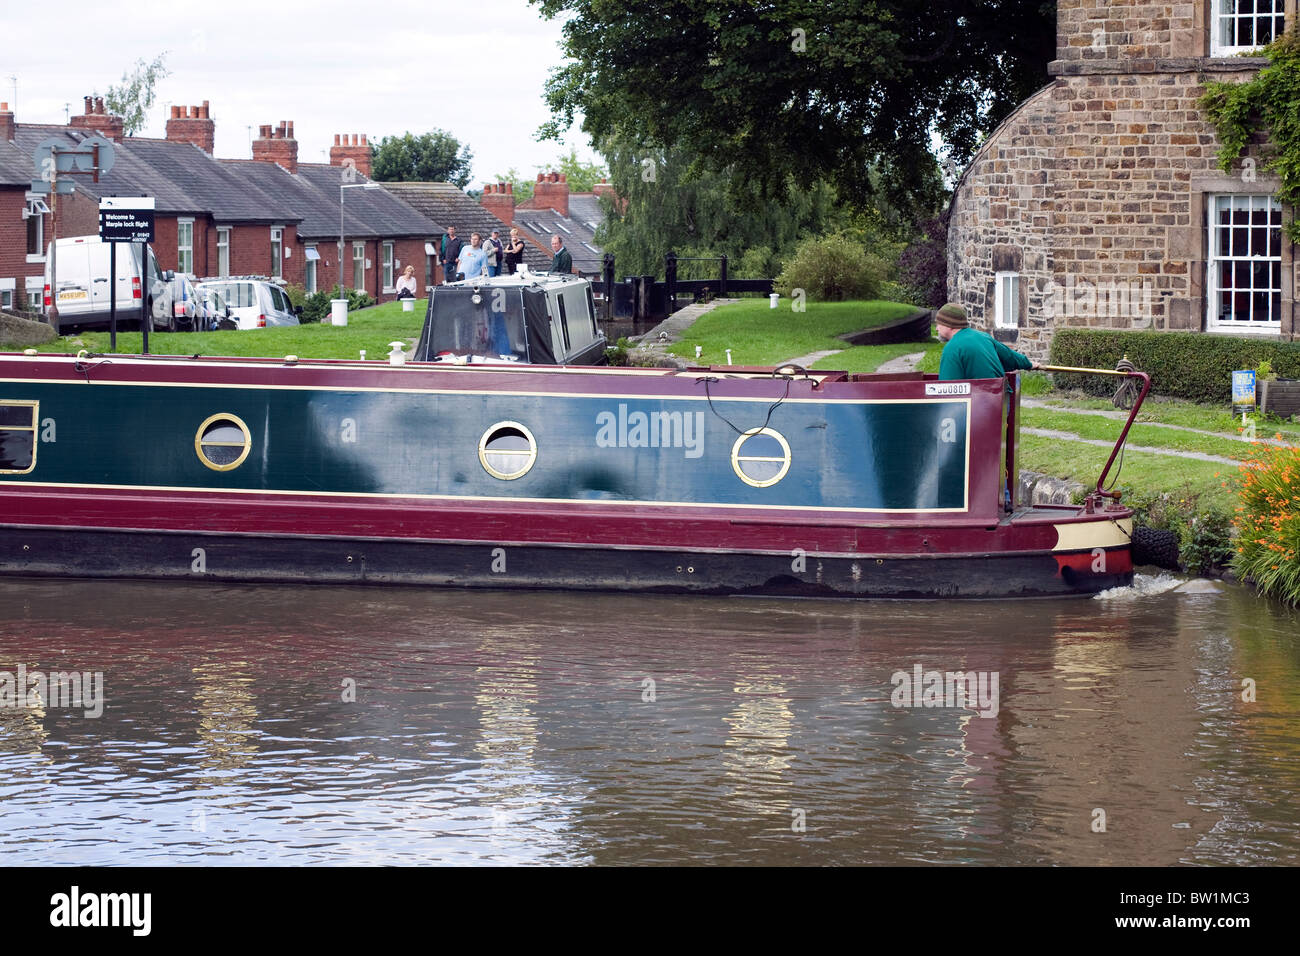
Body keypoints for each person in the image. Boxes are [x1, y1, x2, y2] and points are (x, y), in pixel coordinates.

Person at [935, 302, 1038, 381]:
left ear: (949, 324)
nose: (936, 328)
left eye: (939, 323)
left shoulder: (952, 348)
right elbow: (1010, 356)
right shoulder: (984, 336)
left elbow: (946, 386)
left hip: (976, 402)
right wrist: (1028, 364)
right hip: (998, 397)